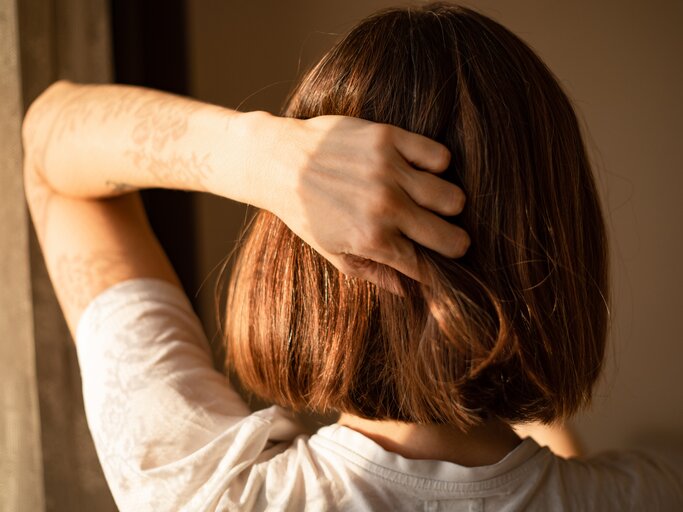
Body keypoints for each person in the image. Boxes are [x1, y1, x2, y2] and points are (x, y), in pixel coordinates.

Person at [22, 3, 681, 511]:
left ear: (298, 244)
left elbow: (51, 147)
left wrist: (257, 154)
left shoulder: (201, 489)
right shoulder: (645, 496)